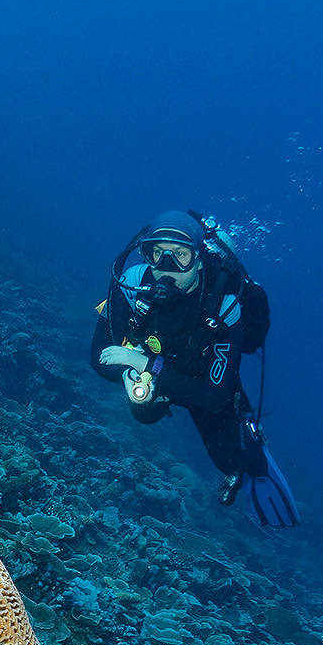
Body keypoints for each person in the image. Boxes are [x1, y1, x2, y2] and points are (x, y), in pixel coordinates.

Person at [90, 210, 297, 527]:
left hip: (202, 377)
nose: (167, 268)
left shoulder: (224, 304)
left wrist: (142, 363)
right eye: (158, 253)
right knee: (143, 412)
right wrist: (128, 376)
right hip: (155, 371)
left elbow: (214, 396)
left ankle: (256, 457)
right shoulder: (132, 283)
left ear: (200, 259)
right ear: (146, 254)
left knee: (230, 459)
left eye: (181, 255)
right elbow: (99, 355)